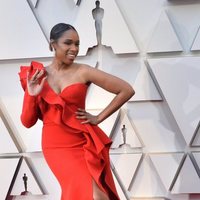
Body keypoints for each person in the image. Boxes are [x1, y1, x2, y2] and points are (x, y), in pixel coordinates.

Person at [19, 23, 135, 200]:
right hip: (56, 146)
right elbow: (27, 122)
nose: (74, 49)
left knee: (98, 195)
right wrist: (31, 94)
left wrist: (98, 118)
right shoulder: (37, 76)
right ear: (53, 44)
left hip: (82, 141)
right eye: (68, 43)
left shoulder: (83, 71)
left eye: (77, 44)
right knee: (91, 194)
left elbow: (126, 90)